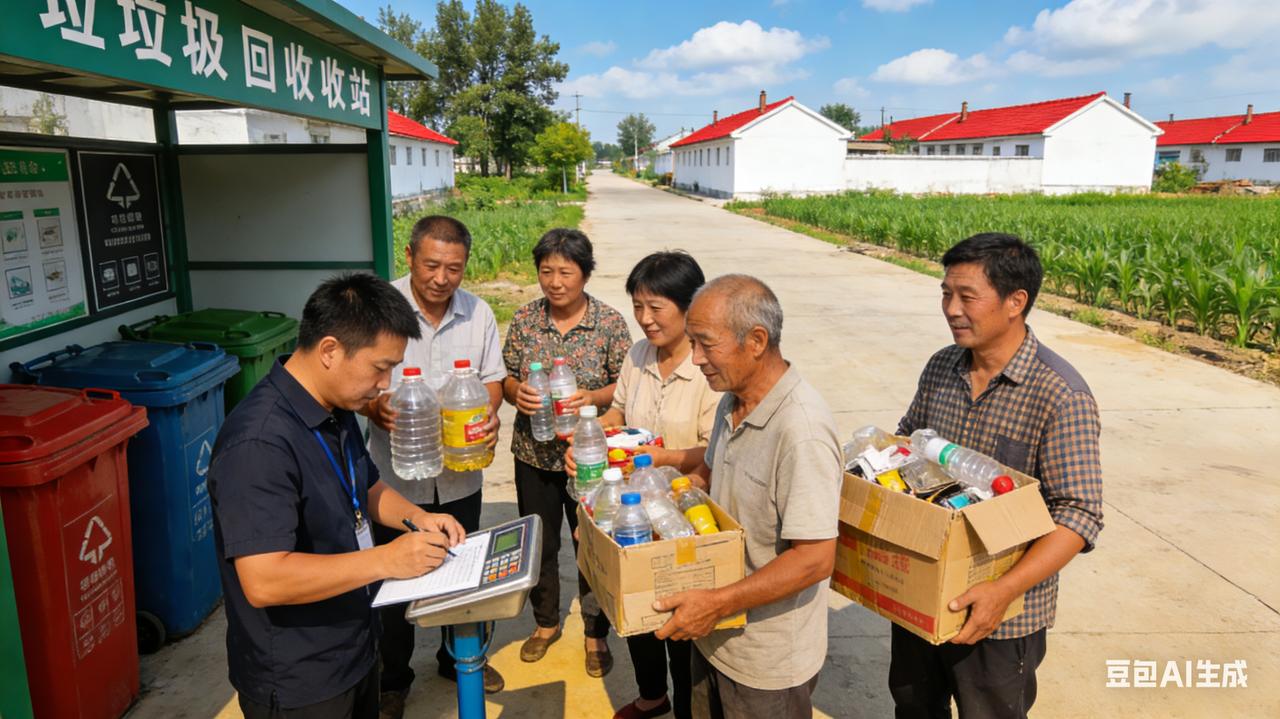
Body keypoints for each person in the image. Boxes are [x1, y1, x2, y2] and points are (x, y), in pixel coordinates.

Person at [208, 273, 466, 719]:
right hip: (299, 680)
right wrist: (387, 561)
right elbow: (264, 579)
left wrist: (416, 518)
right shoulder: (259, 444)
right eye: (380, 367)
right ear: (329, 350)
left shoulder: (335, 406)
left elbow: (365, 487)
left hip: (355, 648)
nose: (385, 384)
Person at [891, 233, 1104, 719]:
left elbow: (1080, 516)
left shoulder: (1059, 394)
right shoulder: (942, 367)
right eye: (946, 293)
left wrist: (1003, 590)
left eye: (967, 296)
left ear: (1016, 302)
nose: (951, 308)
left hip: (1003, 614)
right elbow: (906, 441)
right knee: (913, 705)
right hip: (924, 591)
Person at [652, 274, 842, 719]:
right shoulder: (732, 398)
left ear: (756, 340)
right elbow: (712, 480)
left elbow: (814, 559)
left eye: (706, 344)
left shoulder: (802, 432)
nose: (695, 358)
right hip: (714, 632)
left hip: (764, 662)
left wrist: (717, 603)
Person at [563, 251, 721, 719]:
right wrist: (592, 442)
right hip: (632, 507)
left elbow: (716, 452)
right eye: (638, 306)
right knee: (637, 607)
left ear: (690, 306)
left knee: (684, 618)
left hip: (686, 509)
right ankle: (653, 696)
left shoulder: (709, 367)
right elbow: (620, 415)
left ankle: (689, 706)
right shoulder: (638, 355)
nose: (645, 320)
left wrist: (665, 458)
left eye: (656, 307)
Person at [361, 216, 507, 715]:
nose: (442, 278)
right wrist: (370, 408)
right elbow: (358, 383)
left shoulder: (478, 313)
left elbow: (492, 380)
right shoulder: (378, 308)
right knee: (395, 582)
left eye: (454, 268)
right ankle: (393, 678)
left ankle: (459, 657)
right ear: (408, 256)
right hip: (395, 478)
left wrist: (489, 413)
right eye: (431, 265)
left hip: (461, 473)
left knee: (461, 570)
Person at [502, 228, 631, 677]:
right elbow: (507, 378)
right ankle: (545, 623)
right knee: (540, 542)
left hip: (590, 458)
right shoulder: (524, 320)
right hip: (533, 455)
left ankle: (596, 634)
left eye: (566, 272)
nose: (555, 282)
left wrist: (593, 397)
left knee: (592, 546)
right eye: (546, 272)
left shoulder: (610, 324)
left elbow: (626, 385)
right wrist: (518, 393)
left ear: (586, 274)